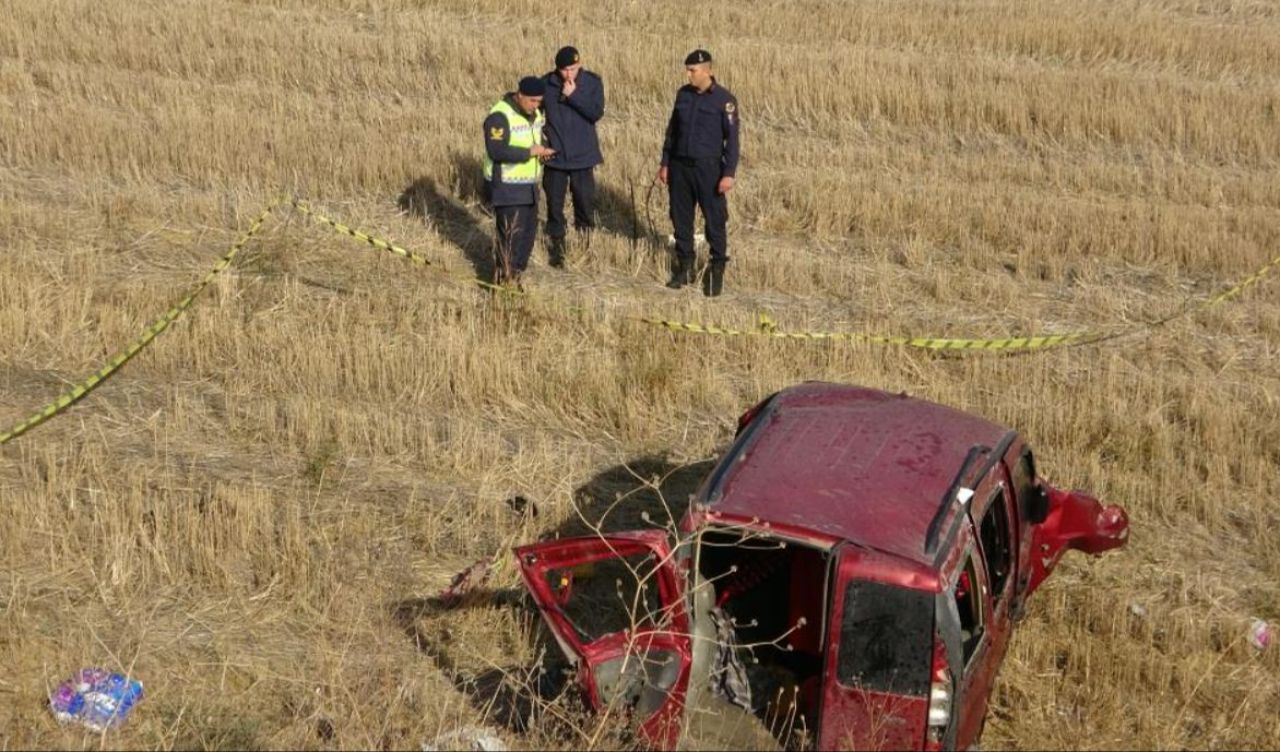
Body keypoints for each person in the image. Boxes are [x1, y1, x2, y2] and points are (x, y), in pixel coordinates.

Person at [658, 49, 740, 297]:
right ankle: (685, 268)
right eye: (687, 69)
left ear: (707, 70)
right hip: (680, 166)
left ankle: (716, 271)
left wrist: (728, 173)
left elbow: (733, 141)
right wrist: (665, 163)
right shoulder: (683, 95)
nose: (688, 74)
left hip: (709, 169)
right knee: (680, 218)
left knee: (714, 220)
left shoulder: (724, 100)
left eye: (692, 70)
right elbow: (672, 132)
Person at [482, 76, 554, 286]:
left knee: (526, 239)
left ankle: (515, 278)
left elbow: (535, 139)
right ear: (519, 95)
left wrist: (542, 152)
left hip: (530, 186)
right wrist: (530, 152)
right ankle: (503, 283)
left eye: (539, 101)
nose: (536, 105)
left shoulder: (535, 114)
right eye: (532, 101)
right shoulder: (500, 115)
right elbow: (496, 150)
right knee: (510, 239)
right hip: (507, 187)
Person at [540, 46, 604, 269]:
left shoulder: (592, 83)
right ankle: (557, 247)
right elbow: (532, 109)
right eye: (564, 70)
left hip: (582, 157)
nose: (569, 74)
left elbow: (596, 112)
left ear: (580, 64)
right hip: (555, 158)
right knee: (554, 204)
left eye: (573, 69)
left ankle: (586, 246)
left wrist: (573, 95)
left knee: (584, 203)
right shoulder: (546, 84)